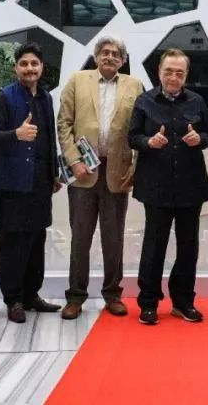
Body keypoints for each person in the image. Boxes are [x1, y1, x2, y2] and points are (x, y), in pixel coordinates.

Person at [57, 36, 144, 320]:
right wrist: (74, 160)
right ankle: (75, 296)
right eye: (104, 52)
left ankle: (113, 294)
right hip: (83, 171)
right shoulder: (77, 80)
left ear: (123, 60)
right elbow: (64, 123)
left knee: (113, 237)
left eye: (116, 53)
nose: (109, 56)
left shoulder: (134, 85)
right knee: (80, 237)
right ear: (96, 56)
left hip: (117, 172)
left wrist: (135, 167)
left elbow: (140, 128)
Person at [129, 48, 208, 325]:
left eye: (179, 72)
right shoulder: (144, 101)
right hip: (156, 184)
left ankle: (183, 301)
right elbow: (132, 137)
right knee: (154, 245)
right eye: (169, 71)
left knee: (188, 246)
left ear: (186, 75)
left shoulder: (197, 101)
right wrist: (149, 142)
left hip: (190, 184)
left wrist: (199, 139)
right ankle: (148, 302)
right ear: (159, 72)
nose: (173, 77)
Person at [0, 42, 62, 323]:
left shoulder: (46, 98)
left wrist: (54, 172)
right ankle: (14, 299)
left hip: (40, 181)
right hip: (13, 182)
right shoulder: (3, 97)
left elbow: (50, 138)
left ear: (41, 67)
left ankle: (32, 295)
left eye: (34, 63)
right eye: (24, 64)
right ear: (15, 68)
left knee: (36, 239)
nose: (29, 68)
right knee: (13, 242)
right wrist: (16, 135)